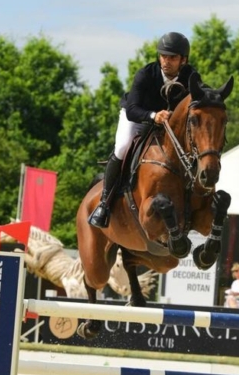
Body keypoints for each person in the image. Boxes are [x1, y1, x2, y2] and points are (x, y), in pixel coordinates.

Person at [88, 32, 199, 228]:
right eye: (163, 56)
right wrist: (153, 116)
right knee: (122, 147)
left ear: (183, 60)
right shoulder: (146, 74)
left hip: (168, 123)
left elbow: (200, 98)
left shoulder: (191, 77)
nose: (166, 61)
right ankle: (104, 203)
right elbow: (132, 110)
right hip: (138, 117)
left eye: (172, 57)